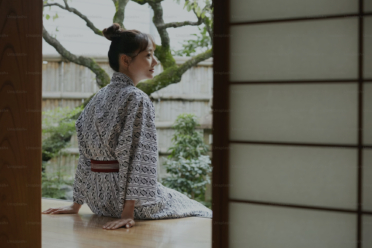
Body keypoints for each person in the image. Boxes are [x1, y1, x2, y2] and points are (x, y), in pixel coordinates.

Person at [42, 23, 212, 230]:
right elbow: (141, 156)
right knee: (201, 210)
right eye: (148, 55)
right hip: (128, 203)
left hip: (97, 201)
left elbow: (85, 154)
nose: (155, 61)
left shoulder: (97, 97)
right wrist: (128, 213)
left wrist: (76, 204)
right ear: (125, 60)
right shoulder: (137, 98)